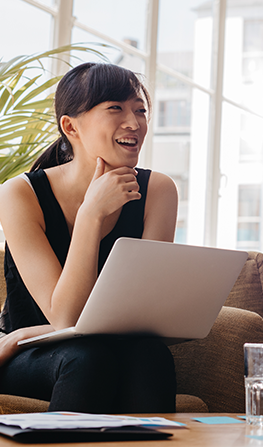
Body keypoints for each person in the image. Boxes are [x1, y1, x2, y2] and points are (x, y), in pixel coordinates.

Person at [0, 62, 179, 413]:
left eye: (140, 110)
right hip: (31, 355)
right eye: (116, 108)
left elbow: (141, 312)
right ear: (71, 126)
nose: (134, 123)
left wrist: (24, 333)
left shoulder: (158, 190)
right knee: (87, 358)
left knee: (150, 355)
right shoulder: (20, 194)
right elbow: (65, 316)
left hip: (92, 344)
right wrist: (91, 214)